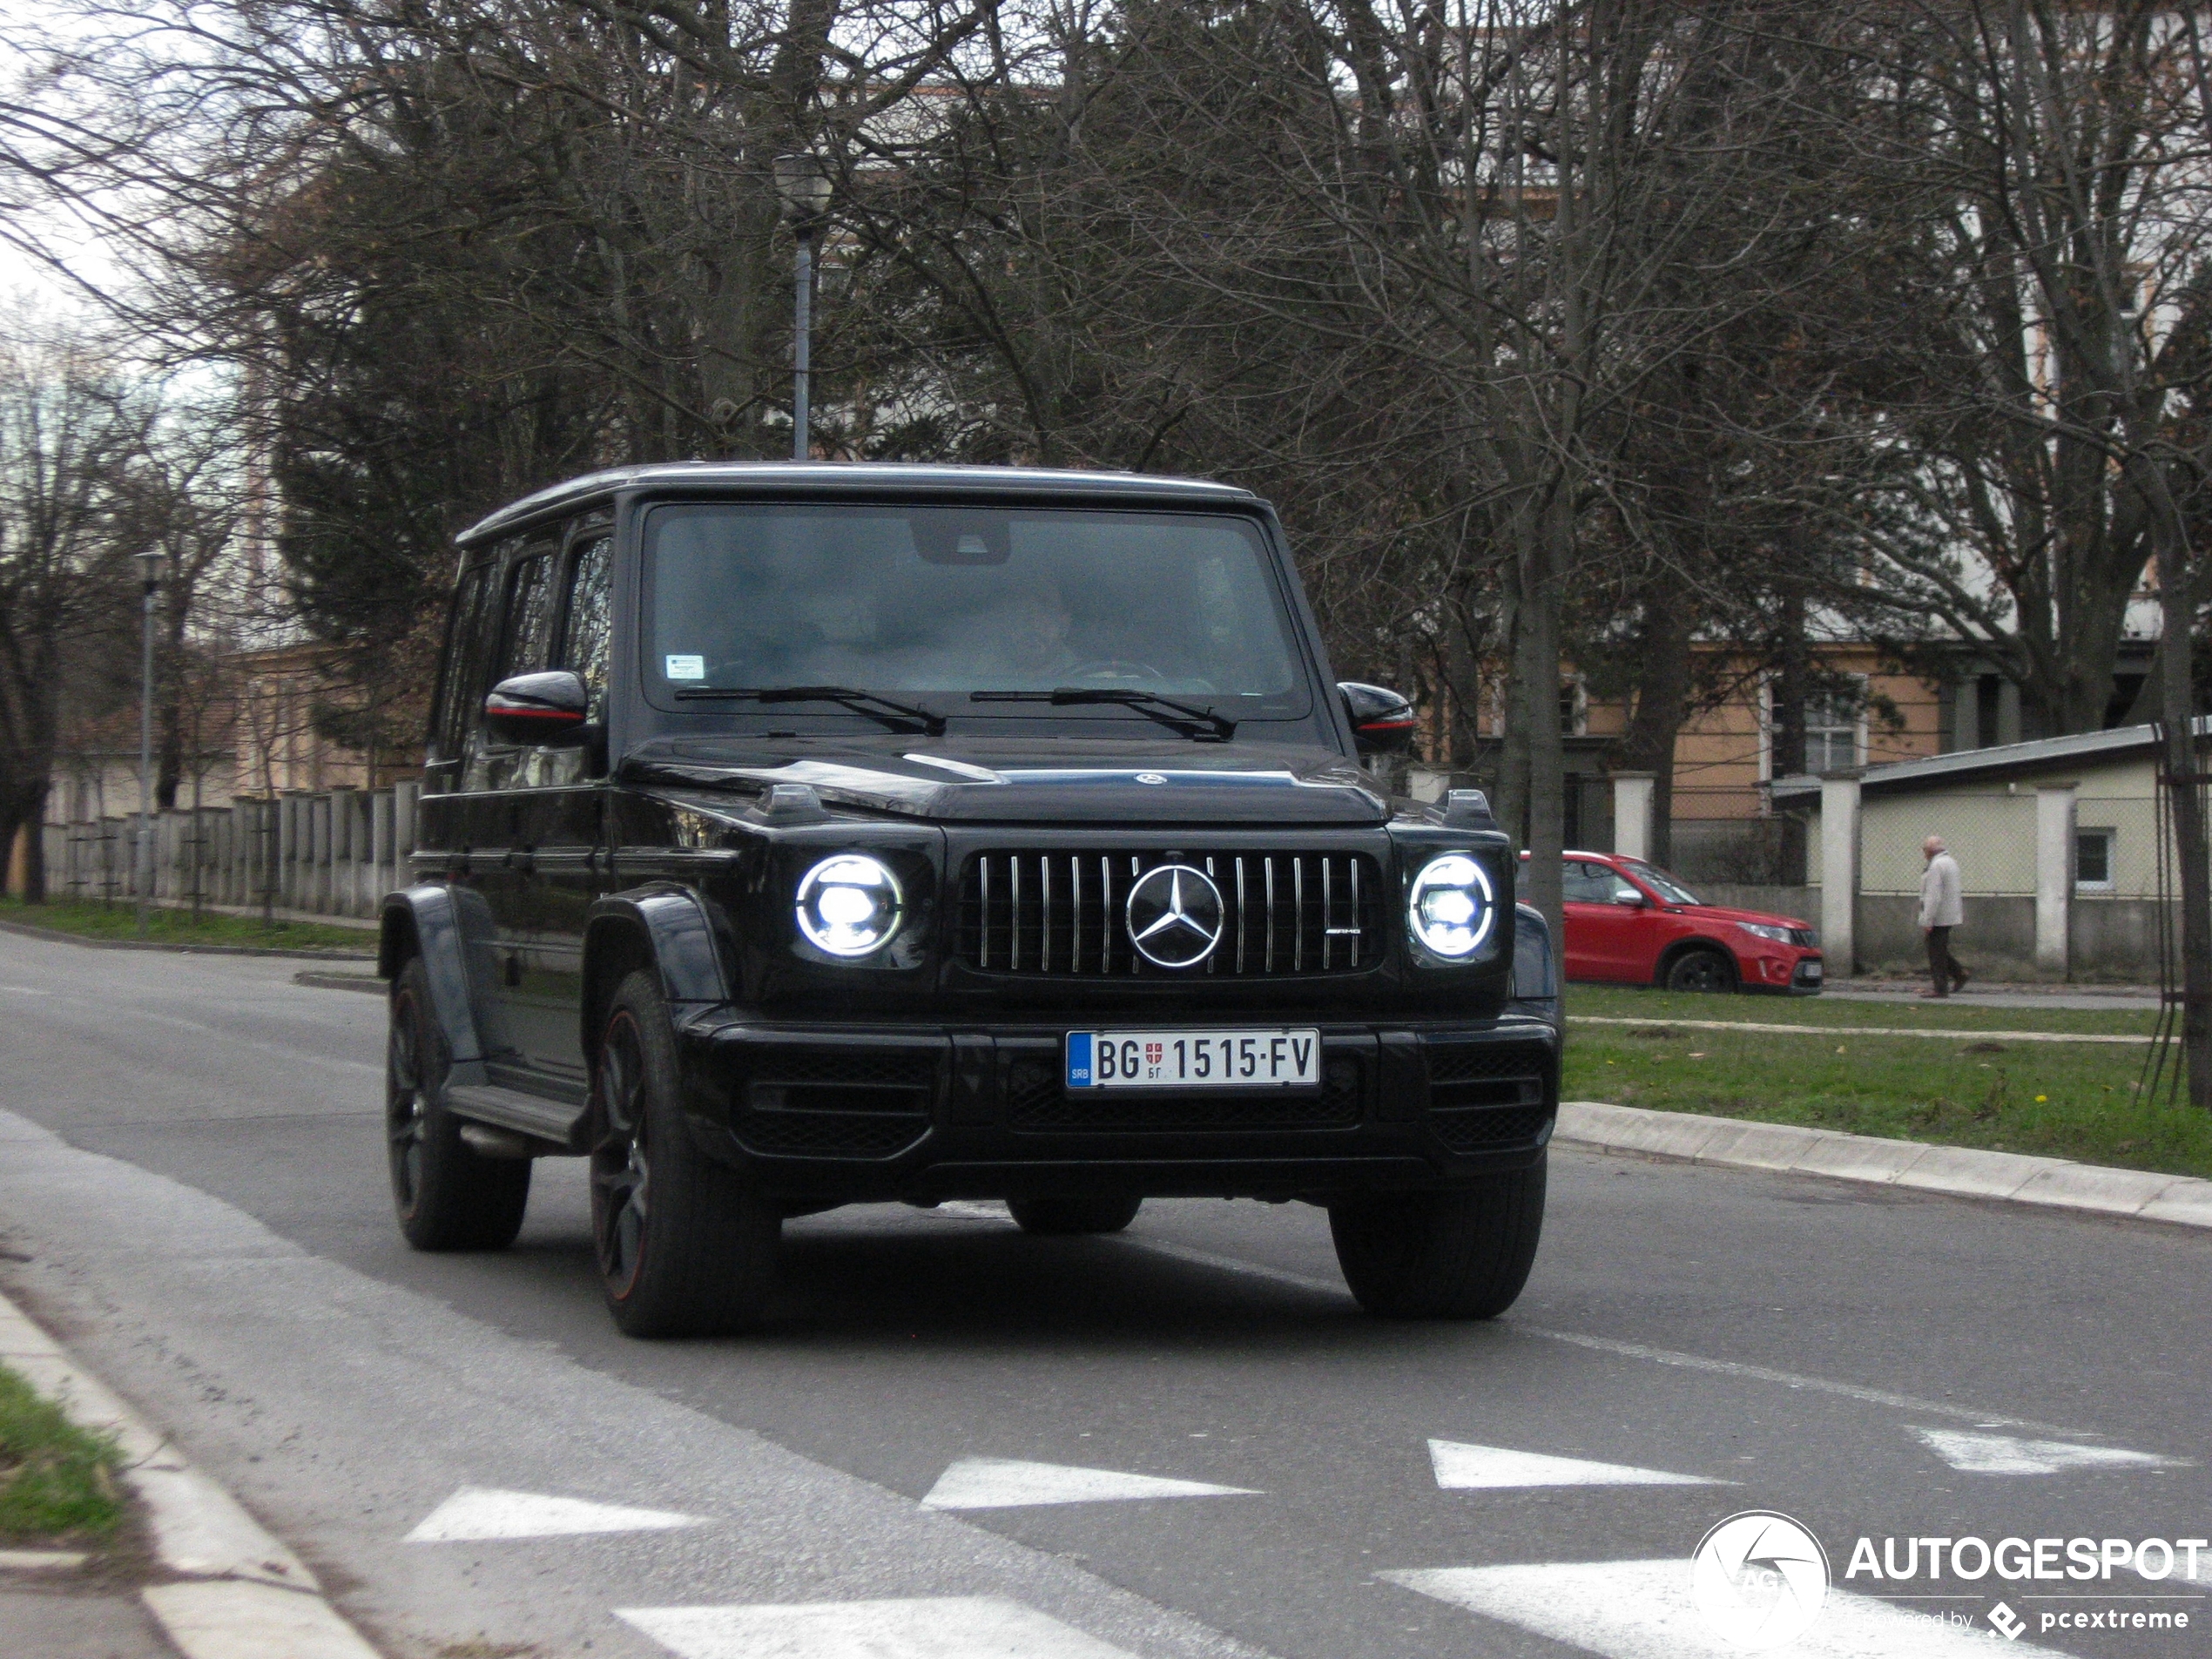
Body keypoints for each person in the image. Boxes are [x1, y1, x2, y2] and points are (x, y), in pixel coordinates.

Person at [1918, 834, 1969, 998]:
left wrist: (1928, 919)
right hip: (1949, 913)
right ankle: (1958, 974)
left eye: (1925, 849)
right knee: (1939, 949)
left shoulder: (1936, 866)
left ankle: (1940, 988)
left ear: (1930, 851)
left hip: (1939, 916)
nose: (1924, 853)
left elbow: (1933, 895)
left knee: (1935, 953)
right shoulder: (1950, 862)